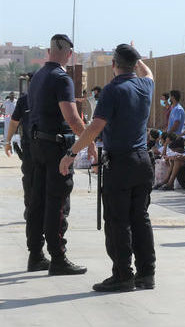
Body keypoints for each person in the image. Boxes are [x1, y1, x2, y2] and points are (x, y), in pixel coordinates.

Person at [59, 44, 156, 292]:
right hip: (143, 161)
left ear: (114, 64)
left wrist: (71, 153)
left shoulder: (113, 90)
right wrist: (138, 57)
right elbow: (149, 73)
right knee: (140, 219)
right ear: (135, 64)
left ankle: (123, 274)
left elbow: (94, 127)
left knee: (117, 221)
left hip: (120, 163)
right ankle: (146, 274)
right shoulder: (146, 86)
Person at [27, 34, 94, 275]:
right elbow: (74, 119)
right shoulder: (61, 78)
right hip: (55, 148)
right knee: (57, 204)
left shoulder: (38, 77)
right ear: (69, 54)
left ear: (48, 51)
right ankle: (58, 258)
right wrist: (90, 142)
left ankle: (35, 254)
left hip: (37, 145)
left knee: (38, 201)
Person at [5, 84, 43, 270]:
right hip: (32, 150)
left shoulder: (41, 97)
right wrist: (8, 141)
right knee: (31, 188)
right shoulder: (24, 101)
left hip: (41, 150)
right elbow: (14, 122)